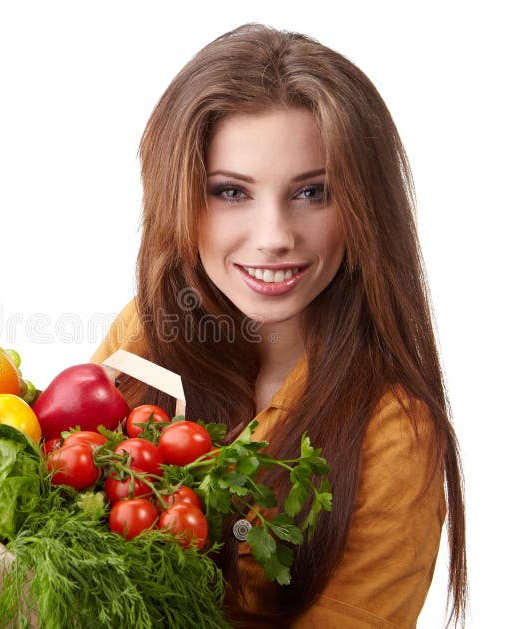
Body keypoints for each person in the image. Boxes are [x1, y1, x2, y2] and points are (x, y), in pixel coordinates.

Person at [89, 23, 467, 628]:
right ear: (180, 197)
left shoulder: (394, 434)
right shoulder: (145, 336)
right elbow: (49, 514)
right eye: (232, 192)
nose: (274, 237)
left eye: (314, 192)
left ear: (365, 208)